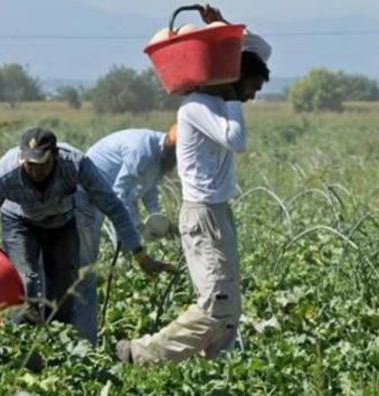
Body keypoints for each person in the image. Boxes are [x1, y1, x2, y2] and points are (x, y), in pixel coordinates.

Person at [115, 5, 271, 364]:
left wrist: (221, 28)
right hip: (202, 214)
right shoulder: (196, 107)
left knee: (230, 307)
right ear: (234, 78)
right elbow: (237, 140)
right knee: (217, 303)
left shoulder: (216, 102)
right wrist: (232, 97)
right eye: (251, 86)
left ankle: (216, 370)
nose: (253, 96)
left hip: (218, 211)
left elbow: (262, 49)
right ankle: (142, 354)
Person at [0, 127, 173, 330]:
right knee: (28, 283)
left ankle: (57, 349)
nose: (35, 170)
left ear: (55, 156)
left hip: (61, 223)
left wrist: (139, 253)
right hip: (20, 223)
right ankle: (23, 344)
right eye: (29, 163)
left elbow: (113, 206)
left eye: (41, 163)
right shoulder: (5, 173)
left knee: (63, 295)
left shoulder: (75, 163)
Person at [73, 127, 178, 345]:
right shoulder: (141, 151)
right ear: (171, 149)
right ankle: (80, 334)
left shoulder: (159, 158)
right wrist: (137, 227)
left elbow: (150, 191)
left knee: (98, 259)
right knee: (84, 263)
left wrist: (158, 220)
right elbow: (119, 196)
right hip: (87, 194)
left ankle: (87, 330)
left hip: (106, 196)